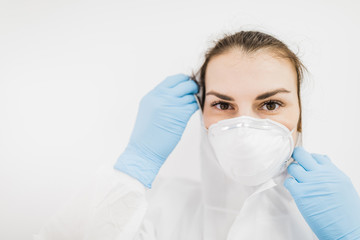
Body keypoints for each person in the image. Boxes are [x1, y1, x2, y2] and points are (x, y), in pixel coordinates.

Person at [33, 31, 360, 240]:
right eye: (223, 104)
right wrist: (136, 164)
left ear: (300, 112)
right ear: (201, 112)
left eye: (271, 104)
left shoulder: (336, 211)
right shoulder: (160, 206)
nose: (244, 126)